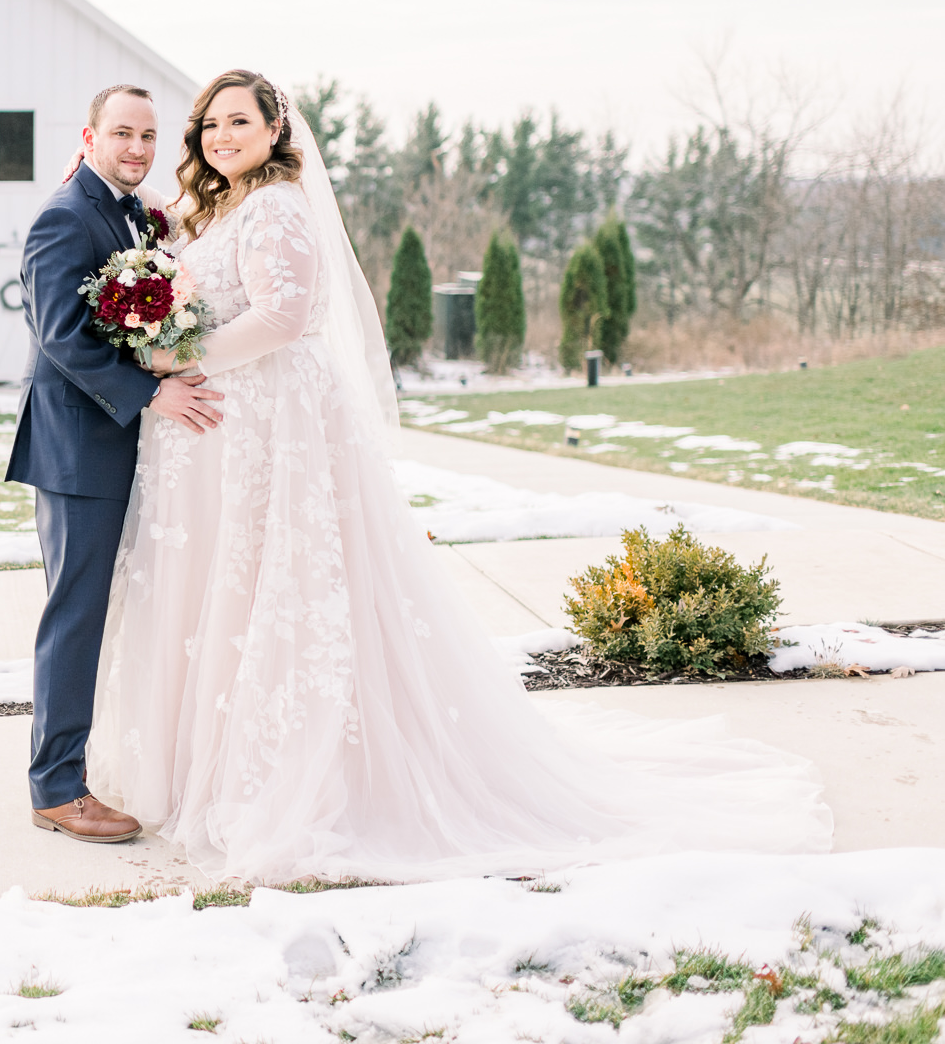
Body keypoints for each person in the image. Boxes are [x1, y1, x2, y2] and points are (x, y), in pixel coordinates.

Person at [83, 68, 833, 883]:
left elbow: (285, 317)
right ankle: (211, 763)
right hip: (223, 433)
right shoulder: (214, 207)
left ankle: (288, 778)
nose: (221, 137)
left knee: (279, 588)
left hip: (273, 429)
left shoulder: (276, 205)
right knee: (223, 592)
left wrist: (177, 353)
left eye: (238, 122)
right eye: (209, 126)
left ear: (275, 131)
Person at [4, 84, 225, 844]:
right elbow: (62, 336)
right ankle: (57, 789)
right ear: (90, 137)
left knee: (119, 614)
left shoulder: (135, 213)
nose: (137, 148)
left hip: (129, 450)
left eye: (148, 136)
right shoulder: (64, 219)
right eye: (122, 134)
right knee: (77, 616)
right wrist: (151, 394)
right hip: (79, 454)